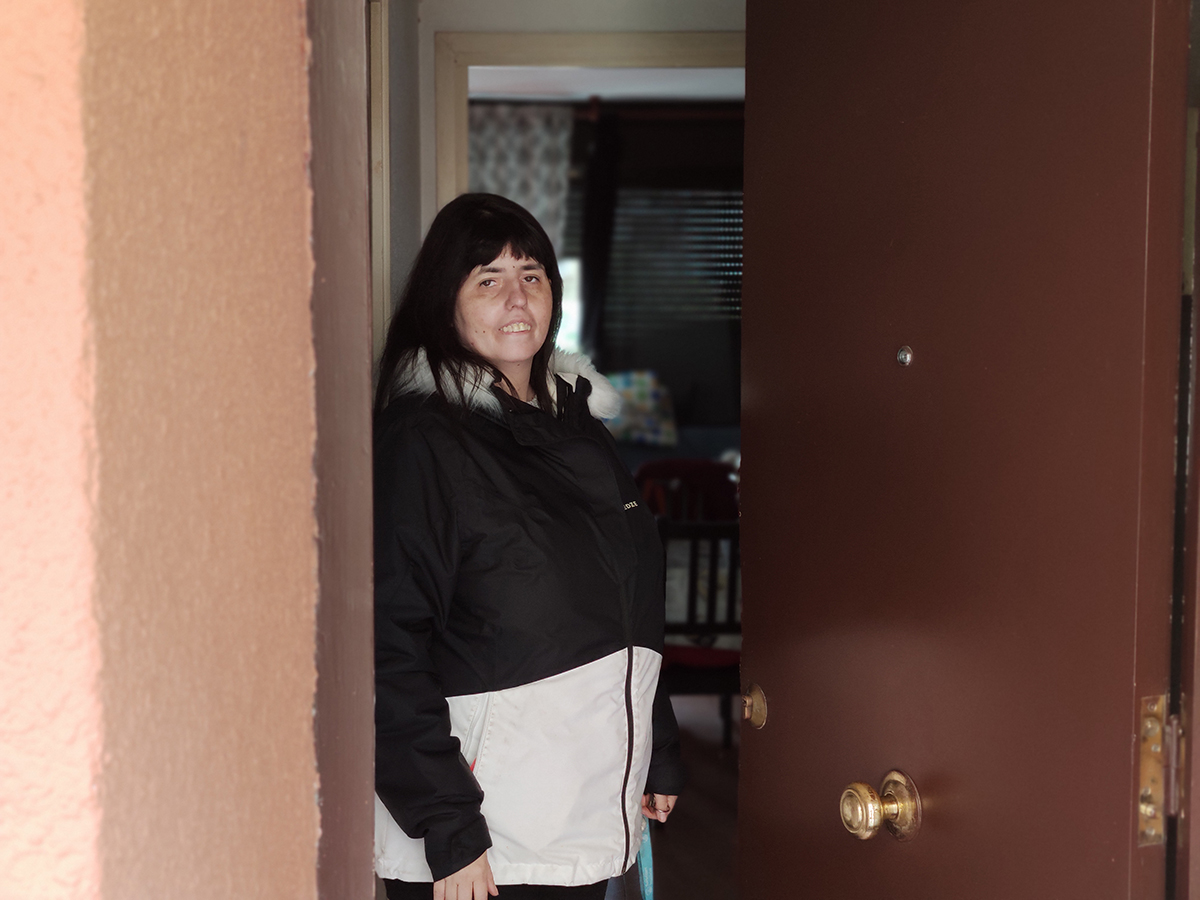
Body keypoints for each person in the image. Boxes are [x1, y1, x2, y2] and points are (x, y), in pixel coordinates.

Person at [373, 193, 684, 900]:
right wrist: (449, 826)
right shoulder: (423, 441)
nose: (517, 299)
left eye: (532, 275)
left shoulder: (580, 428)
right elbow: (386, 644)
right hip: (483, 834)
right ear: (445, 302)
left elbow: (626, 602)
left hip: (581, 808)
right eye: (488, 279)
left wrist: (656, 745)